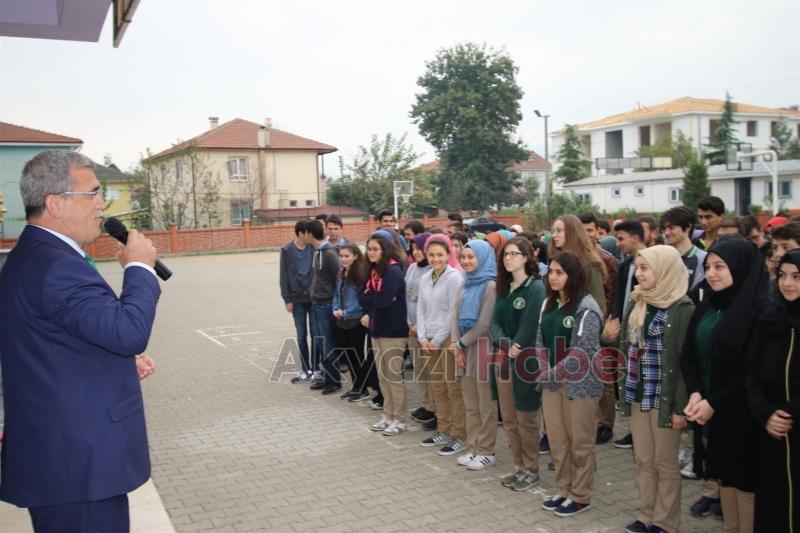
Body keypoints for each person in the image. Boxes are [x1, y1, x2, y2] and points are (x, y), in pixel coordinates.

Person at [0, 150, 161, 532]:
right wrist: (139, 268)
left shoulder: (35, 256)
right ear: (56, 204)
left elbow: (49, 343)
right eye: (93, 193)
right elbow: (128, 332)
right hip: (78, 467)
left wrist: (109, 362)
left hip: (62, 460)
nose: (102, 205)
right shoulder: (57, 267)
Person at [682, 237, 768, 533]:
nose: (711, 273)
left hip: (742, 415)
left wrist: (713, 402)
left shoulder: (759, 311)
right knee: (724, 479)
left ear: (741, 269)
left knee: (744, 483)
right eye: (708, 267)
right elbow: (689, 354)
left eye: (720, 266)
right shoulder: (708, 304)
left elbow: (751, 370)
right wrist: (695, 391)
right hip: (710, 411)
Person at [614, 246, 694, 533]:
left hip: (664, 397)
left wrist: (679, 407)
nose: (639, 274)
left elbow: (685, 363)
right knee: (643, 459)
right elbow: (627, 348)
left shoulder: (681, 307)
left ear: (664, 270)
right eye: (639, 267)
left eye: (646, 268)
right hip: (639, 393)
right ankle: (646, 515)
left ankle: (665, 522)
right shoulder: (638, 302)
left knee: (665, 462)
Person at [536, 251, 604, 518]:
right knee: (558, 441)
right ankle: (564, 489)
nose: (553, 277)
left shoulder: (587, 307)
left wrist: (550, 374)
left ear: (573, 276)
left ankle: (581, 494)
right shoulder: (548, 304)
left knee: (580, 442)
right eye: (551, 272)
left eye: (559, 273)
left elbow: (581, 353)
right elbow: (539, 341)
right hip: (552, 383)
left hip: (580, 387)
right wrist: (544, 370)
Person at [746, 250, 800, 533]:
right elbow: (752, 371)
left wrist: (791, 412)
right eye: (782, 276)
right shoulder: (770, 318)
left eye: (796, 276)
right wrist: (766, 413)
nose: (788, 283)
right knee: (773, 504)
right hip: (771, 431)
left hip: (794, 424)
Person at [490, 237, 546, 490]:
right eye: (505, 254)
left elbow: (531, 324)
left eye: (514, 254)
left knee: (526, 418)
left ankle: (531, 468)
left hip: (526, 360)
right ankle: (518, 466)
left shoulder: (535, 288)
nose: (508, 258)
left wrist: (516, 345)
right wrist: (504, 343)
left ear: (526, 257)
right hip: (503, 357)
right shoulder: (503, 287)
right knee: (510, 419)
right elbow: (493, 323)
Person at [449, 239, 498, 470]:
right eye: (464, 257)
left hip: (482, 350)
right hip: (463, 349)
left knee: (485, 405)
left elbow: (484, 324)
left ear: (483, 258)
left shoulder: (490, 286)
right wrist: (456, 345)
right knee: (470, 403)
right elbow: (454, 317)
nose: (466, 261)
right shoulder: (464, 284)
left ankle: (486, 450)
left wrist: (459, 344)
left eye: (471, 257)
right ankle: (473, 447)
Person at [418, 235, 466, 455]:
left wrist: (437, 340)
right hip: (428, 341)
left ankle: (459, 435)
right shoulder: (425, 277)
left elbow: (452, 313)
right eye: (431, 254)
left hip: (446, 340)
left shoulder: (454, 278)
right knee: (438, 388)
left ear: (449, 255)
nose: (435, 258)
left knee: (453, 389)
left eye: (440, 254)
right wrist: (422, 338)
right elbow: (420, 309)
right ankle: (443, 429)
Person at [360, 233, 409, 436]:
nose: (371, 253)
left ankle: (400, 419)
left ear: (385, 250)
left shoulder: (393, 271)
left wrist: (372, 299)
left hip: (393, 331)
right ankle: (388, 415)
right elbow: (362, 297)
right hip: (376, 329)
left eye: (375, 249)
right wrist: (373, 299)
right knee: (382, 377)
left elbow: (384, 301)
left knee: (393, 376)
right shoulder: (373, 272)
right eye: (369, 249)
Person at [606, 220, 648, 450]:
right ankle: (634, 428)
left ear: (635, 237)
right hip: (624, 331)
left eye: (621, 238)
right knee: (627, 379)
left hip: (641, 333)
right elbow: (617, 297)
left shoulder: (652, 263)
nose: (618, 243)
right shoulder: (624, 266)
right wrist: (613, 320)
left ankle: (641, 430)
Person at [332, 243, 371, 401]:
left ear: (355, 256)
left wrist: (346, 312)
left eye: (347, 256)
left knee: (356, 355)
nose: (343, 259)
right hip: (342, 319)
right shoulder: (341, 273)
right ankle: (356, 385)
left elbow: (360, 301)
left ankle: (362, 388)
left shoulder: (360, 275)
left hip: (355, 320)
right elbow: (336, 293)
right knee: (348, 355)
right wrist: (335, 308)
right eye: (341, 256)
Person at [306, 219, 342, 394]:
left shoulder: (329, 253)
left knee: (328, 345)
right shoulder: (317, 252)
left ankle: (334, 381)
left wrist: (335, 303)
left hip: (326, 305)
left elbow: (339, 279)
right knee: (320, 343)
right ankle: (326, 377)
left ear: (309, 234)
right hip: (317, 304)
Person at [549, 214, 608, 318]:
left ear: (572, 232)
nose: (554, 235)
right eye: (553, 231)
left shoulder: (588, 263)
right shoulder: (555, 261)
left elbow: (598, 303)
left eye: (559, 231)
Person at [406, 233, 436, 428]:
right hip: (411, 327)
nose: (417, 252)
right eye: (414, 249)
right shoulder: (410, 268)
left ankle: (435, 408)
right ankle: (426, 404)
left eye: (419, 248)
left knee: (431, 371)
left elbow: (428, 304)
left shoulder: (432, 270)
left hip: (425, 330)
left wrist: (420, 326)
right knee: (420, 370)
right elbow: (406, 297)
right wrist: (409, 322)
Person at [280, 220, 315, 384]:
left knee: (316, 335)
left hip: (314, 298)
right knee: (302, 335)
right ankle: (305, 368)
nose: (311, 235)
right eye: (308, 232)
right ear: (301, 233)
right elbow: (283, 276)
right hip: (297, 299)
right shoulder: (287, 250)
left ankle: (315, 369)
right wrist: (287, 299)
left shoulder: (314, 248)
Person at [660, 206, 707, 291]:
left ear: (688, 227)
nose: (666, 233)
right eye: (664, 228)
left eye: (671, 227)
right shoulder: (661, 257)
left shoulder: (702, 258)